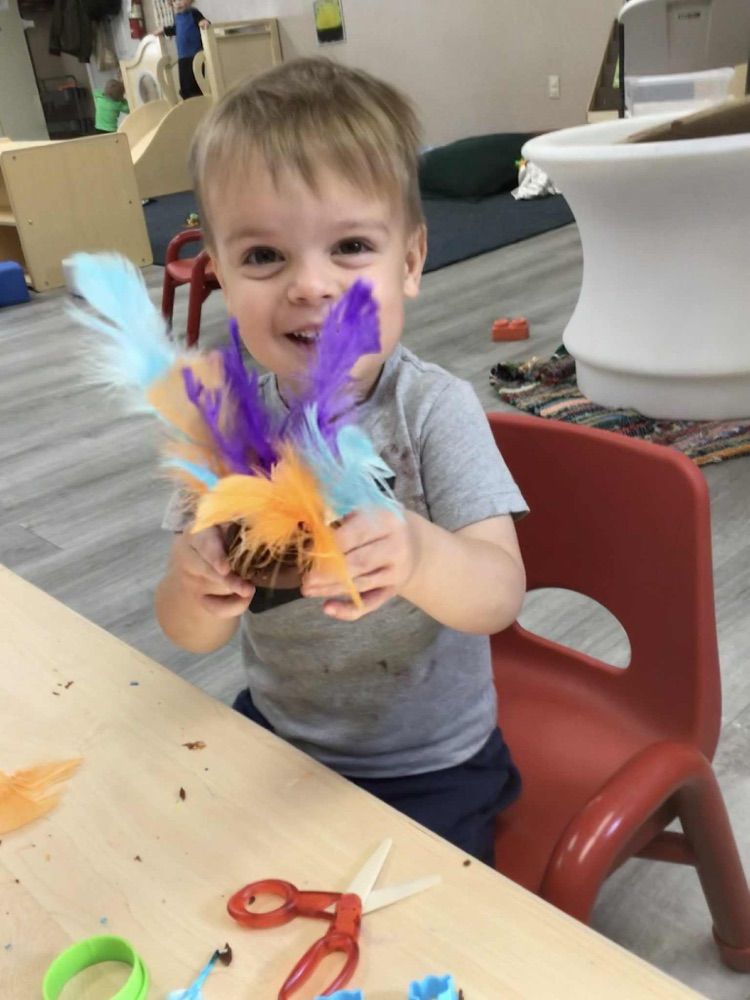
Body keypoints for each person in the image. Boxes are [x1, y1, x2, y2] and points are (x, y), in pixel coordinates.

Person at [155, 58, 528, 865]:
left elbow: (500, 595)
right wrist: (197, 585)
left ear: (411, 263)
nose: (312, 286)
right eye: (264, 257)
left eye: (351, 245)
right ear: (217, 272)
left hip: (430, 765)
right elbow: (186, 633)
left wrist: (420, 551)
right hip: (281, 737)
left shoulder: (432, 409)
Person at [155, 0, 210, 101]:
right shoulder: (177, 17)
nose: (177, 4)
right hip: (183, 56)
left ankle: (198, 101)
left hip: (195, 54)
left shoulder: (194, 13)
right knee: (184, 85)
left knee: (193, 83)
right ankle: (188, 102)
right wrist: (164, 30)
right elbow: (175, 29)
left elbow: (203, 21)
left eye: (180, 0)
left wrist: (203, 22)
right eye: (174, 2)